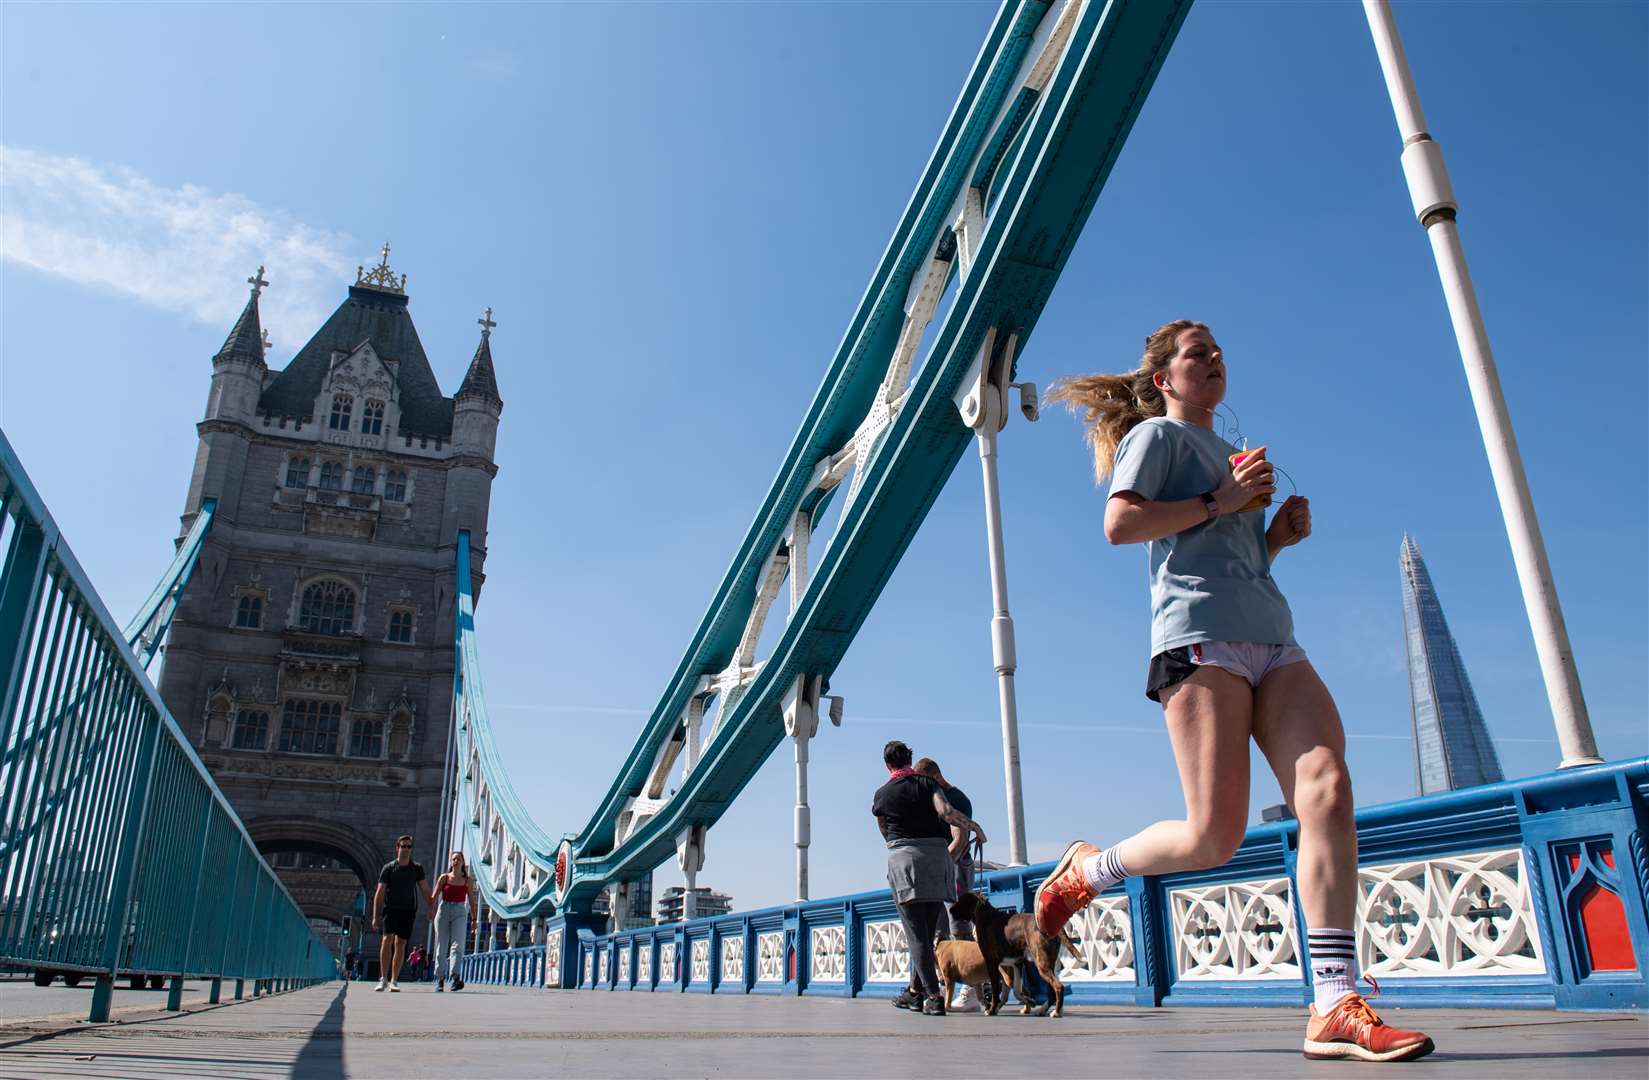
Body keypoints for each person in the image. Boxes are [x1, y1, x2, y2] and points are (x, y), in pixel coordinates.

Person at [1034, 321, 1433, 1062]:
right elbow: (1119, 526)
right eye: (1197, 354)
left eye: (1218, 351)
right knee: (1213, 837)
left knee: (1328, 789)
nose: (1214, 360)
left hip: (1272, 636)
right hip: (1197, 640)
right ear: (1164, 379)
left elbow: (1233, 555)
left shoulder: (1232, 456)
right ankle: (1088, 871)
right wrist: (1221, 501)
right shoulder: (1156, 437)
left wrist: (1274, 535)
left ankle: (1333, 1003)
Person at [872, 740, 985, 1017]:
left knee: (917, 934)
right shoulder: (928, 785)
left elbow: (884, 829)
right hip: (937, 859)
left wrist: (899, 844)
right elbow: (946, 813)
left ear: (887, 764)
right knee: (932, 927)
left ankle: (933, 996)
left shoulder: (882, 794)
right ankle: (917, 992)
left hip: (904, 860)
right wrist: (974, 828)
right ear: (909, 760)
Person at [913, 757, 982, 1012]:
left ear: (934, 778)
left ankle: (971, 990)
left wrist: (939, 867)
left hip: (954, 870)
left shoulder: (956, 800)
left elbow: (960, 839)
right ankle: (946, 985)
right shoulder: (940, 799)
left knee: (959, 928)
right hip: (944, 870)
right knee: (940, 931)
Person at [372, 834, 428, 993]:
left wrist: (432, 907)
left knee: (400, 944)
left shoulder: (417, 868)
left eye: (409, 846)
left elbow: (424, 889)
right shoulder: (388, 868)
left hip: (408, 910)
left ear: (411, 849)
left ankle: (394, 980)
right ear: (397, 848)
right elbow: (379, 892)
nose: (406, 849)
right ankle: (383, 979)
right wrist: (375, 916)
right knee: (386, 940)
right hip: (391, 909)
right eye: (403, 846)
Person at [430, 851, 477, 992]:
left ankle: (455, 977)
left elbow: (472, 901)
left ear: (463, 862)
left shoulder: (467, 880)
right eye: (453, 859)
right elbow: (434, 896)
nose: (455, 861)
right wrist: (431, 909)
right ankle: (440, 979)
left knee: (457, 945)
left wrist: (474, 919)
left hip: (460, 911)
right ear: (450, 862)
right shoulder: (444, 878)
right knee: (441, 945)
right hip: (444, 909)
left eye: (458, 859)